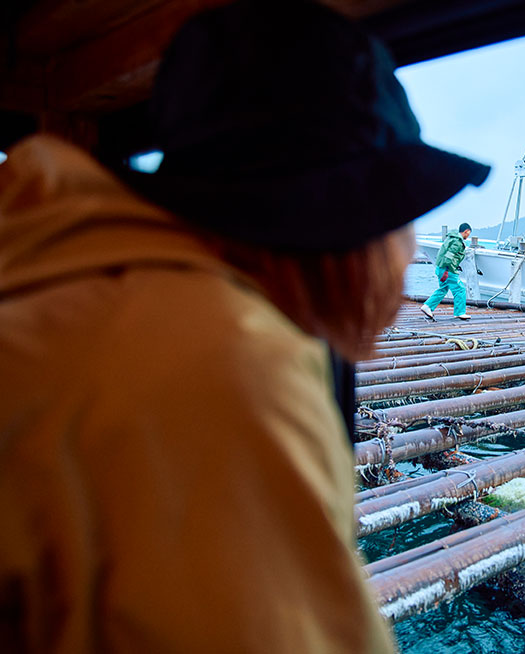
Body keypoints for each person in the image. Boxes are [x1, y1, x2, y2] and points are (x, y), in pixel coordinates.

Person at [0, 1, 489, 652]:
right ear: (344, 220)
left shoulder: (75, 298)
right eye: (402, 215)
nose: (408, 255)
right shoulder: (223, 363)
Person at [420, 222, 473, 320]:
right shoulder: (457, 242)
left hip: (440, 268)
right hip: (447, 270)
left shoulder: (451, 238)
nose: (468, 236)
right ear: (466, 231)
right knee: (460, 289)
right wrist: (447, 270)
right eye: (468, 233)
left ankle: (427, 306)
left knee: (443, 289)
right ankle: (460, 312)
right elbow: (449, 256)